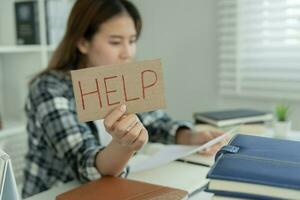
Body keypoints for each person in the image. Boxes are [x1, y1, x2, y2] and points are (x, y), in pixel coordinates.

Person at [22, 0, 224, 198]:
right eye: (115, 42)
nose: (128, 53)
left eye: (132, 40)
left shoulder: (120, 77)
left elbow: (156, 122)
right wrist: (124, 145)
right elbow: (85, 163)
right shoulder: (49, 88)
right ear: (82, 42)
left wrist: (190, 137)